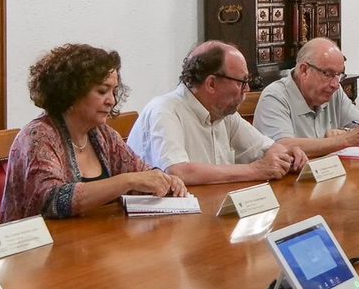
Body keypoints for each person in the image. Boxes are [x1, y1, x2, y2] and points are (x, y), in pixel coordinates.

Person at [0, 44, 186, 221]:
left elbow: (140, 175)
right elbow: (52, 201)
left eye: (114, 92)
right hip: (36, 250)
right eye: (102, 91)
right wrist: (127, 181)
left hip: (90, 245)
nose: (111, 101)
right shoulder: (38, 136)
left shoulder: (102, 134)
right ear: (72, 91)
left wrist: (166, 181)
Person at [127, 41, 306, 185]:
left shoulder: (224, 113)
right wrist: (255, 170)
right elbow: (178, 171)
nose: (247, 89)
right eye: (242, 81)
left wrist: (288, 154)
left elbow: (265, 148)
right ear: (211, 84)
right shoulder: (165, 110)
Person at [252, 38, 359, 156]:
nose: (335, 84)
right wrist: (344, 140)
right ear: (304, 70)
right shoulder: (275, 97)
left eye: (339, 75)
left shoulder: (334, 92)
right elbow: (283, 146)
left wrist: (345, 132)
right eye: (328, 74)